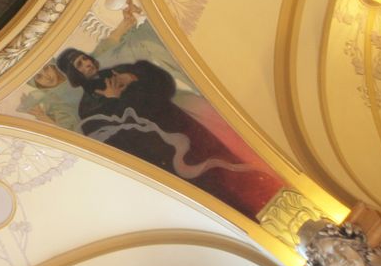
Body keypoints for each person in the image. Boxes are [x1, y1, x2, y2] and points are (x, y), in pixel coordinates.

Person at [52, 47, 281, 217]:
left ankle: (268, 193)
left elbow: (164, 87)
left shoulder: (121, 72)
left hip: (179, 122)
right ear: (74, 75)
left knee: (221, 157)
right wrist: (114, 103)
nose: (86, 65)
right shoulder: (88, 106)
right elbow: (117, 142)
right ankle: (242, 213)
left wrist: (135, 78)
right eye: (79, 66)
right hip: (162, 151)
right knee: (208, 183)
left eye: (84, 60)